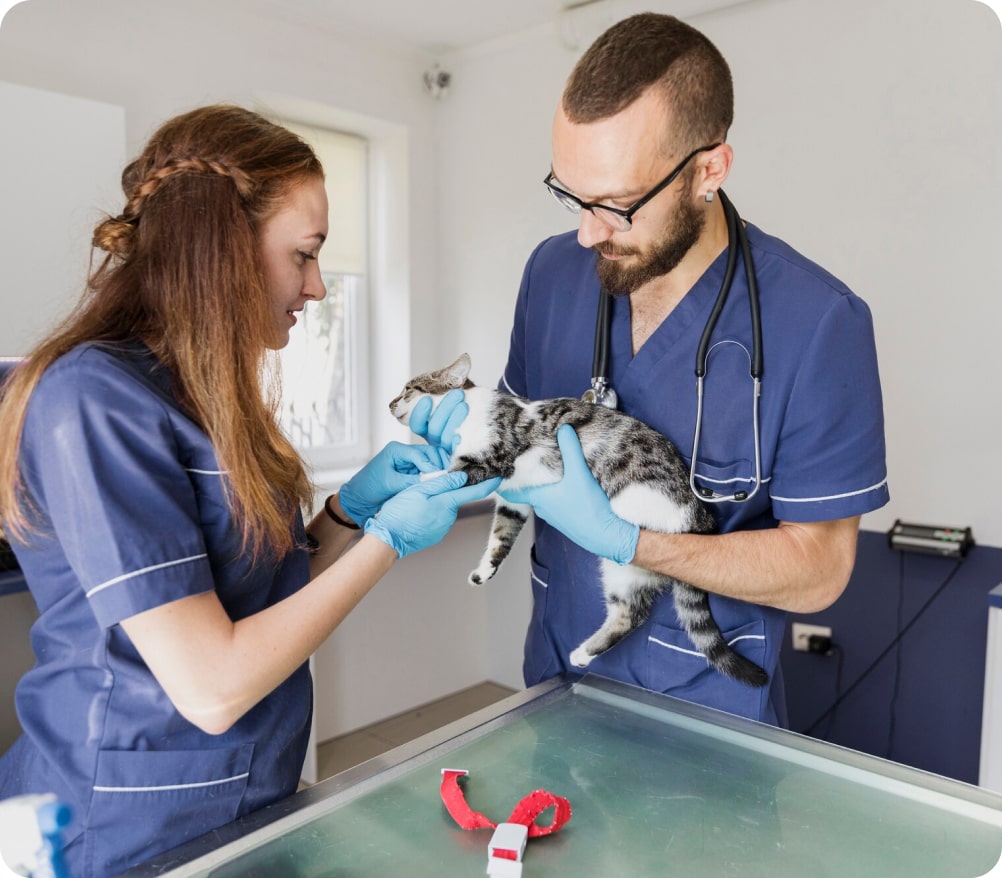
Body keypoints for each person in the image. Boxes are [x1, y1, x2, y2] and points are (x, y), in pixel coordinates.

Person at [0, 105, 496, 877]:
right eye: (304, 255)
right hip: (125, 824)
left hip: (244, 799)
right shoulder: (90, 401)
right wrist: (386, 545)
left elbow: (257, 580)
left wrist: (348, 514)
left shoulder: (207, 395)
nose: (319, 285)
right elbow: (210, 687)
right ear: (222, 250)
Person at [484, 14, 889, 725]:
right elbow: (511, 435)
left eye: (615, 205)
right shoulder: (551, 274)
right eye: (570, 194)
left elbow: (820, 570)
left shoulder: (819, 323)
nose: (586, 232)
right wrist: (444, 447)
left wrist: (638, 546)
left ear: (709, 170)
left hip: (708, 716)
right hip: (556, 683)